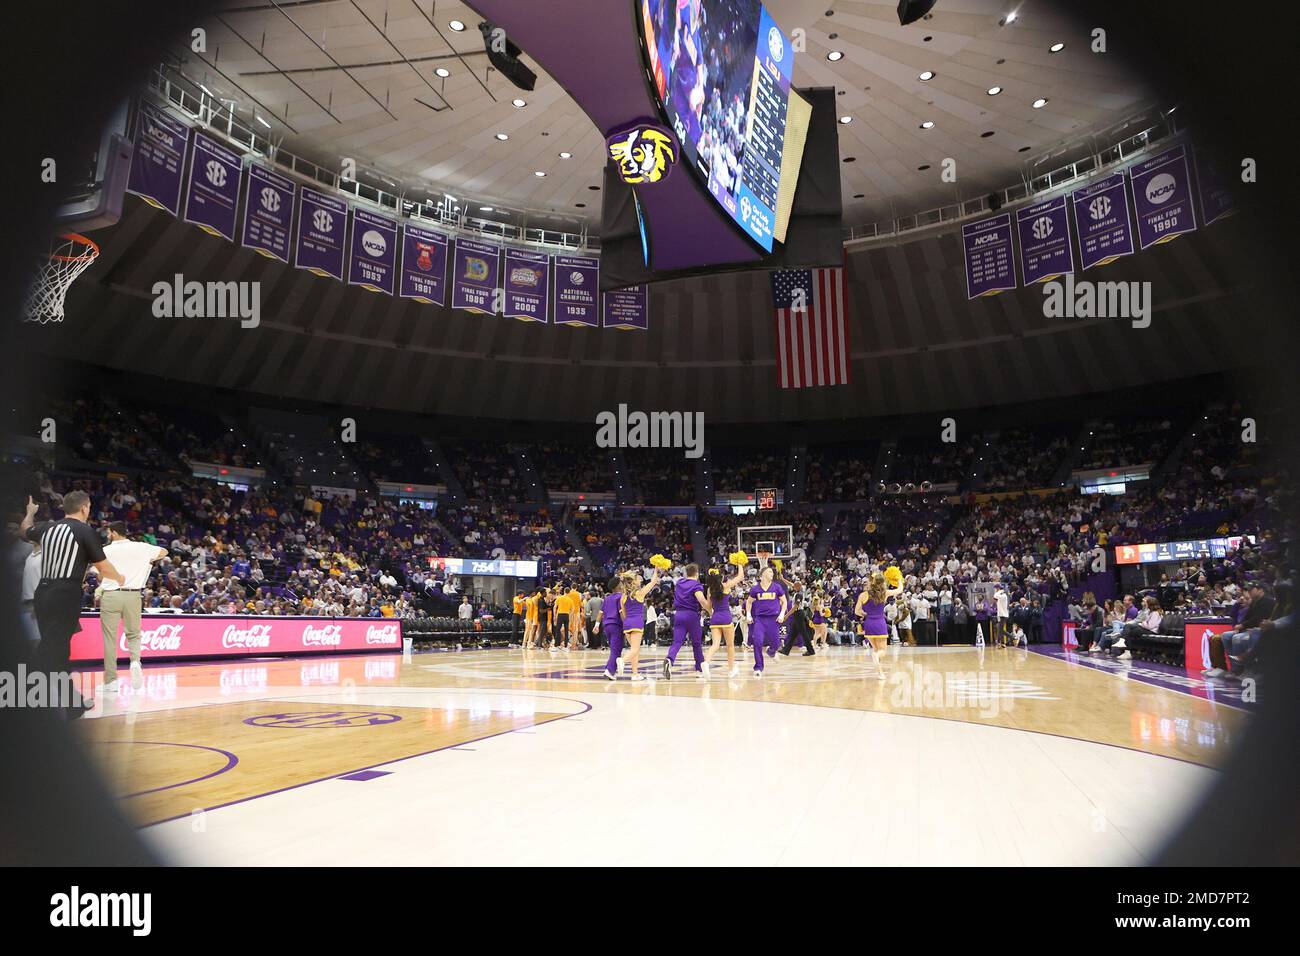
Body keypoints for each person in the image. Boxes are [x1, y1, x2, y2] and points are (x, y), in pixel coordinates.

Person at [20, 492, 124, 719]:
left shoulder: (47, 527)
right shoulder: (85, 531)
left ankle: (72, 704)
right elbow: (104, 567)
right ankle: (21, 693)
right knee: (51, 648)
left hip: (42, 593)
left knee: (56, 647)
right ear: (85, 508)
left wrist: (29, 513)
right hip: (65, 593)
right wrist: (120, 578)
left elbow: (24, 531)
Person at [99, 521, 167, 691]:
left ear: (113, 533)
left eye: (109, 532)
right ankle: (135, 662)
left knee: (110, 639)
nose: (108, 535)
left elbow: (99, 573)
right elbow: (164, 551)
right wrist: (150, 559)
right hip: (133, 594)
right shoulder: (141, 547)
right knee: (134, 635)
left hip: (111, 595)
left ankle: (111, 681)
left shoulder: (105, 550)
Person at [663, 563, 711, 680]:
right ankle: (699, 668)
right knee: (696, 643)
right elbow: (701, 600)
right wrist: (710, 611)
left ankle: (669, 659)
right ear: (696, 573)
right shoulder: (696, 585)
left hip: (679, 614)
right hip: (692, 615)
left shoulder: (679, 583)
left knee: (677, 642)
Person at [854, 571, 901, 681]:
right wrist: (898, 579)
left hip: (869, 623)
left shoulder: (863, 595)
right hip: (880, 623)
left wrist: (865, 614)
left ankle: (880, 673)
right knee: (882, 651)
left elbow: (857, 611)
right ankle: (877, 660)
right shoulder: (884, 593)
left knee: (875, 649)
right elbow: (899, 590)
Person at [703, 563, 746, 679]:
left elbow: (708, 606)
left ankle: (706, 662)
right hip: (726, 617)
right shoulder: (726, 586)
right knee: (730, 646)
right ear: (721, 577)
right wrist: (740, 563)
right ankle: (731, 670)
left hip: (715, 618)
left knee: (715, 644)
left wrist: (712, 613)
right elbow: (740, 576)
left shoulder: (709, 590)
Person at [744, 562, 787, 678]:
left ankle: (772, 651)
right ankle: (758, 667)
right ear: (762, 574)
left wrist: (782, 613)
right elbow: (749, 602)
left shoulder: (777, 587)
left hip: (774, 619)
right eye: (769, 572)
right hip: (760, 620)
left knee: (776, 643)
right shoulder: (755, 589)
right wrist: (748, 614)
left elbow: (784, 602)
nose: (772, 574)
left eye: (772, 572)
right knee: (757, 642)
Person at [621, 565, 660, 682]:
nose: (641, 580)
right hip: (637, 623)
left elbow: (623, 613)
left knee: (635, 650)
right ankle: (622, 661)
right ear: (634, 582)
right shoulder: (640, 593)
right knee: (634, 649)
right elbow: (653, 581)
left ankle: (635, 673)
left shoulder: (623, 596)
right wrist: (656, 569)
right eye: (639, 579)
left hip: (627, 624)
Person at [601, 576, 626, 680]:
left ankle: (609, 668)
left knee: (614, 649)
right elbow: (621, 612)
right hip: (616, 625)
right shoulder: (620, 597)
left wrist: (598, 625)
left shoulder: (607, 598)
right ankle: (610, 671)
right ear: (619, 585)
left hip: (606, 625)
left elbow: (602, 613)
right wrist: (626, 624)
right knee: (616, 650)